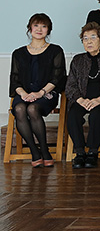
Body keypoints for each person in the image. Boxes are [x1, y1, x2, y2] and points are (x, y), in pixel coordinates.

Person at [9, 13, 66, 167]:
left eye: (44, 26)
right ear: (30, 28)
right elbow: (15, 80)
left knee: (33, 109)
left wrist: (40, 93)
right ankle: (35, 152)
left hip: (47, 94)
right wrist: (24, 94)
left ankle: (45, 150)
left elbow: (57, 78)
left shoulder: (55, 50)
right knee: (20, 108)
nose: (39, 29)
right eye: (36, 25)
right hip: (24, 94)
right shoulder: (18, 53)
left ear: (48, 30)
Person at [65, 22, 100, 169]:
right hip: (82, 99)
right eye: (85, 38)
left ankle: (92, 152)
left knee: (96, 115)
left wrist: (99, 99)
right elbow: (70, 85)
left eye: (93, 37)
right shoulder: (78, 60)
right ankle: (79, 153)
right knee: (73, 115)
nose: (89, 41)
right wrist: (81, 100)